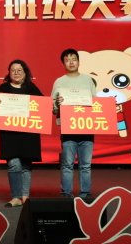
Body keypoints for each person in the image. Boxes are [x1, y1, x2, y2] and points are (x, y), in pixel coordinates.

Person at [0, 60, 43, 207]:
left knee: (26, 165)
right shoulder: (3, 88)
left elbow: (43, 106)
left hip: (28, 134)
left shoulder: (31, 88)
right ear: (9, 73)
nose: (16, 73)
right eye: (13, 70)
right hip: (10, 135)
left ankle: (25, 196)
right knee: (14, 164)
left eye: (19, 70)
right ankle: (16, 197)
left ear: (25, 72)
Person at [51, 49, 97, 198]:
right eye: (67, 60)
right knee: (67, 164)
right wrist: (57, 103)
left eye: (74, 59)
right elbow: (52, 107)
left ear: (79, 62)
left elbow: (96, 103)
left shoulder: (87, 80)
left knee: (86, 165)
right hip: (68, 128)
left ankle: (85, 193)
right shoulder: (59, 81)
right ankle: (66, 193)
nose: (71, 62)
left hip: (87, 127)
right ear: (63, 64)